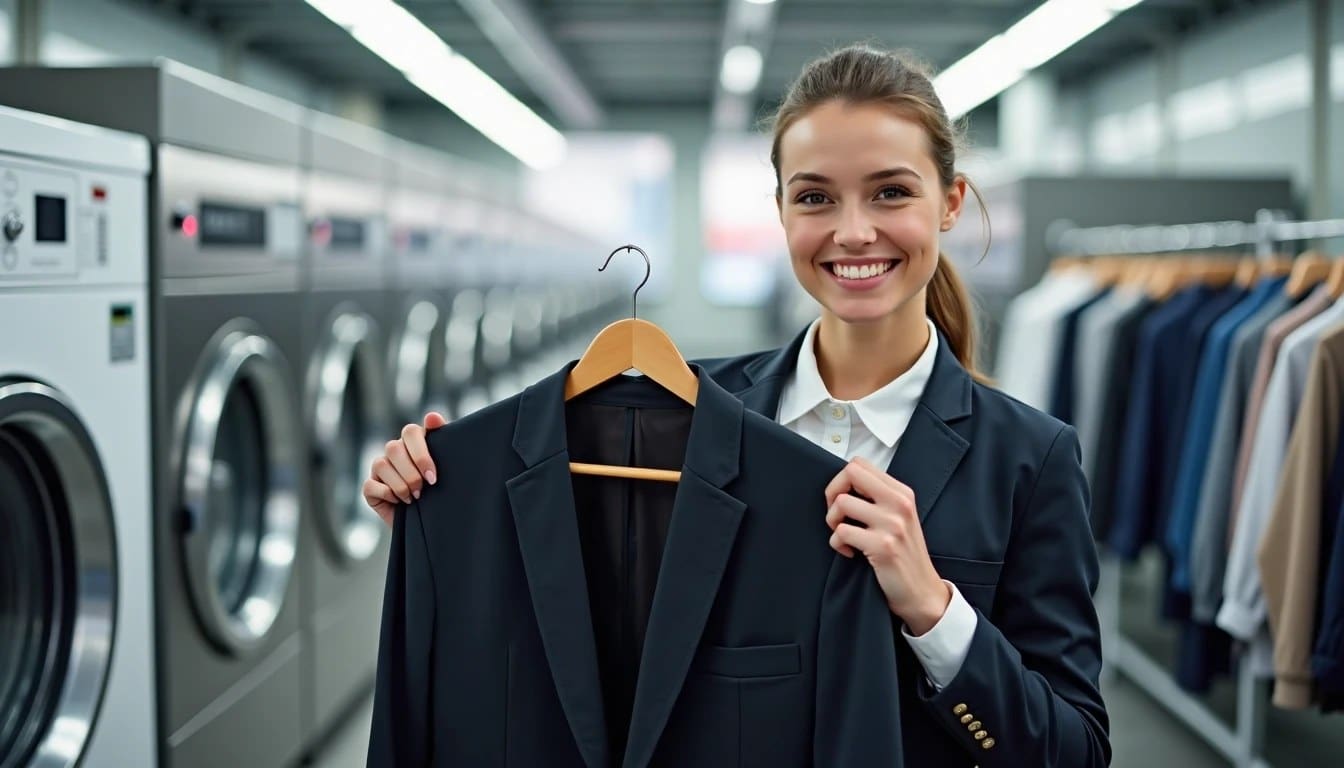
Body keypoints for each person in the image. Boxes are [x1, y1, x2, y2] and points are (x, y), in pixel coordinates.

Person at [362, 44, 1109, 767]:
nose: (853, 231)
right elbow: (593, 641)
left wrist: (933, 611)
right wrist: (455, 512)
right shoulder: (676, 417)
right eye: (815, 196)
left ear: (948, 203)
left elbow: (1074, 750)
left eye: (891, 191)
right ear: (781, 211)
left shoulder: (1028, 460)